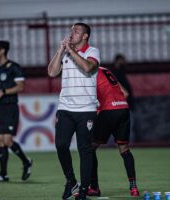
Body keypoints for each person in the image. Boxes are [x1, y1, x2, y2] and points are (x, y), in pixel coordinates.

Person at [48, 22, 100, 200]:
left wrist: (71, 51)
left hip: (86, 109)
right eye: (71, 30)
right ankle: (71, 182)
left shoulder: (92, 51)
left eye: (76, 31)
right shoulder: (66, 53)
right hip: (65, 108)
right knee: (61, 145)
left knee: (84, 149)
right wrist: (61, 50)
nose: (71, 33)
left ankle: (84, 191)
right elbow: (52, 72)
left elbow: (88, 68)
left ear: (85, 36)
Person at [88, 66, 140, 197]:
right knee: (124, 149)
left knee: (90, 148)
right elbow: (125, 93)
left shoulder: (88, 72)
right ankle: (133, 188)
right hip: (123, 108)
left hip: (108, 110)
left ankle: (94, 188)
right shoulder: (105, 70)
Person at [0, 40, 32, 182]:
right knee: (0, 140)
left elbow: (20, 87)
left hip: (10, 107)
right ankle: (3, 174)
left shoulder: (14, 67)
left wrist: (3, 92)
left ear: (2, 51)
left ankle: (26, 162)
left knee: (7, 140)